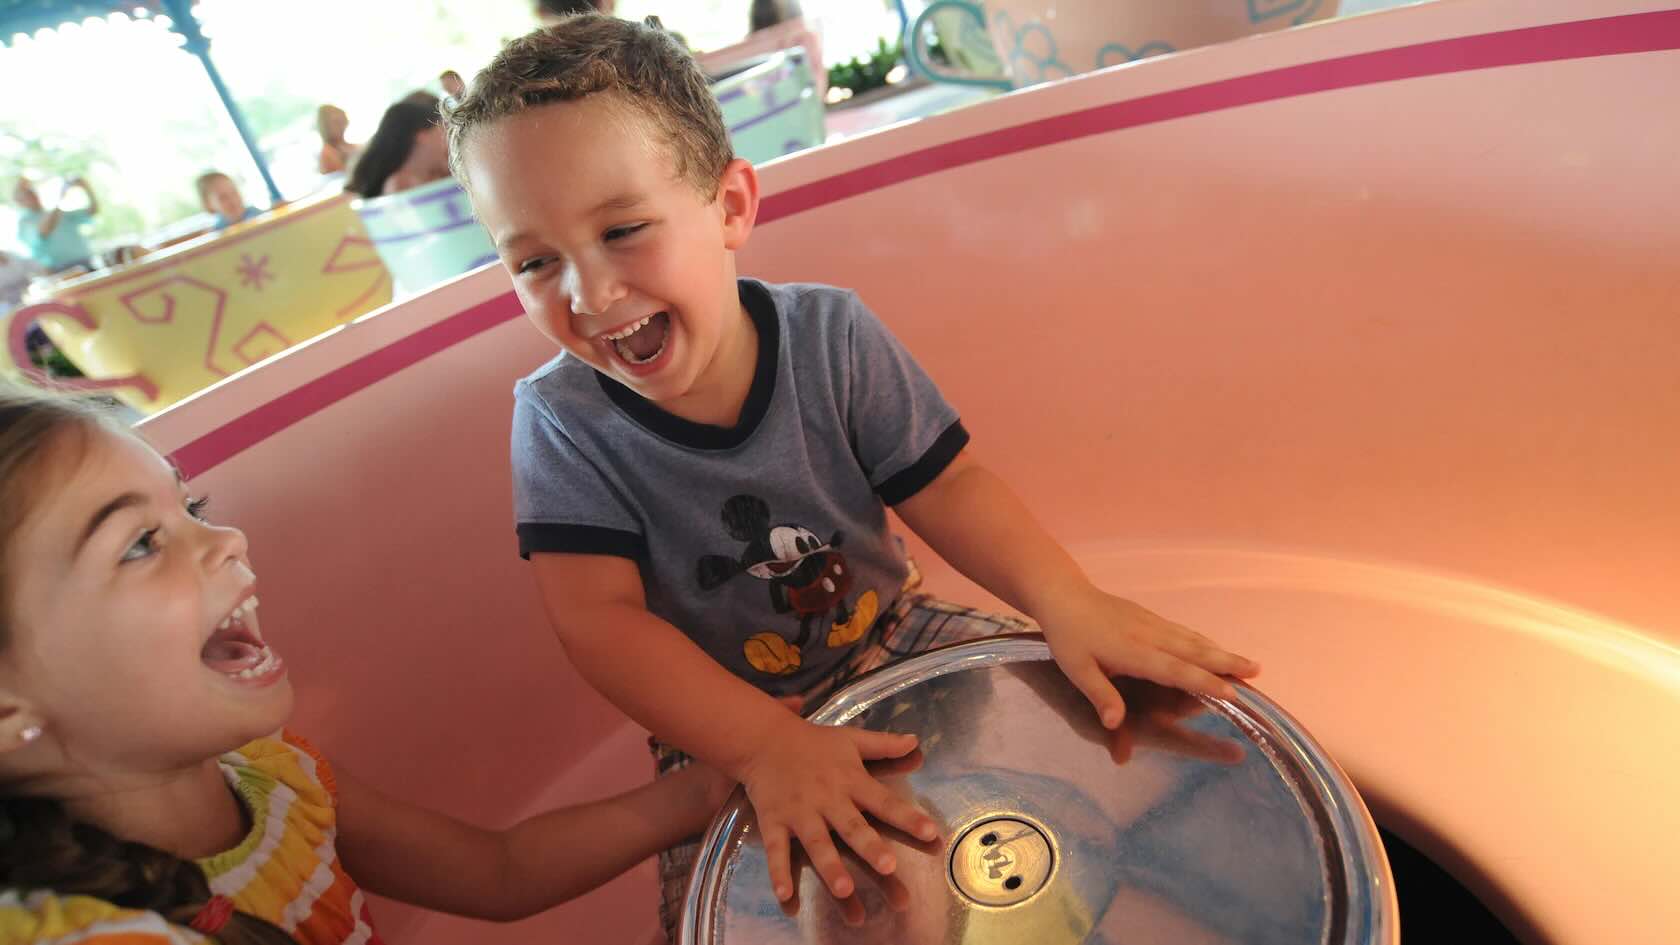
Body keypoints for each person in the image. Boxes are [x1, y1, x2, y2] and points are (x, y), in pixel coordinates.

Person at [443, 14, 1261, 940]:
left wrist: (1066, 596)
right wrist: (762, 745)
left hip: (899, 629)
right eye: (535, 262)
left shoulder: (830, 338)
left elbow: (948, 484)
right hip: (722, 723)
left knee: (1135, 741)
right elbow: (600, 624)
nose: (588, 294)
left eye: (623, 230)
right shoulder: (560, 421)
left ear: (730, 208)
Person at [0, 385, 749, 942]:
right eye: (139, 543)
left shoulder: (269, 771)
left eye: (191, 508)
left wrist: (715, 778)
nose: (226, 537)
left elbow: (499, 870)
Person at [344, 100, 450, 199]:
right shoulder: (401, 184)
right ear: (421, 135)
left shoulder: (434, 175)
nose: (448, 140)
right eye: (443, 131)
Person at [12, 177, 98, 274]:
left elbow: (92, 211)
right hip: (62, 270)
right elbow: (44, 231)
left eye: (32, 192)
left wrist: (86, 187)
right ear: (19, 201)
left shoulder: (58, 213)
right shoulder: (25, 222)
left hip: (86, 263)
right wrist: (61, 197)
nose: (33, 195)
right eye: (27, 194)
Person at [194, 172, 259, 231]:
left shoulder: (258, 216)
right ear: (208, 204)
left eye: (234, 192)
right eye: (223, 197)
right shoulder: (217, 231)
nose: (233, 200)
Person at [316, 105, 360, 175]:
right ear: (325, 126)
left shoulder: (350, 146)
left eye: (342, 121)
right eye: (336, 122)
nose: (341, 126)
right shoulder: (328, 152)